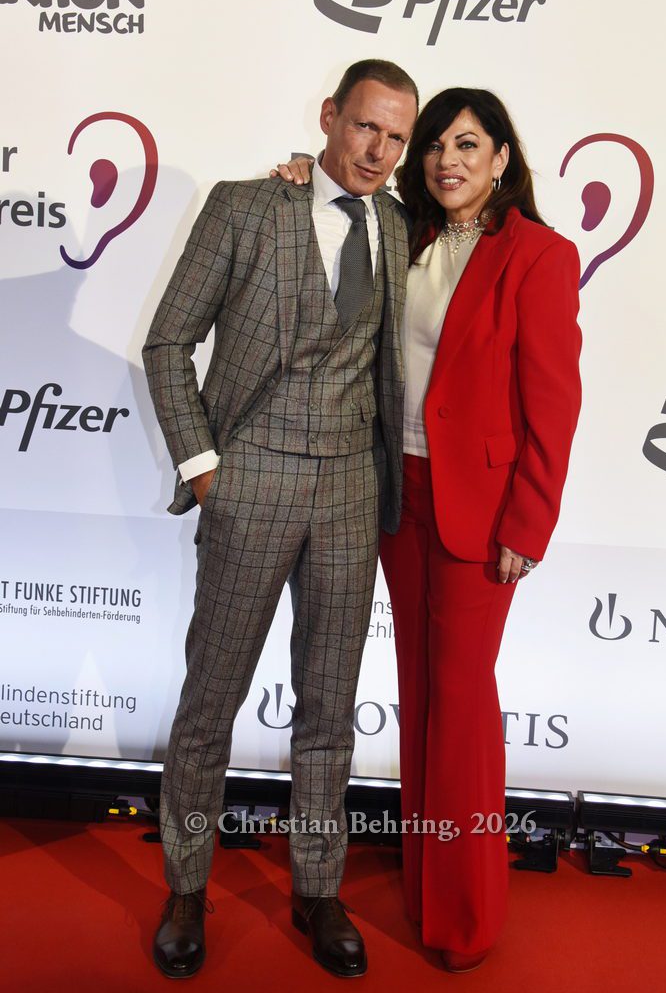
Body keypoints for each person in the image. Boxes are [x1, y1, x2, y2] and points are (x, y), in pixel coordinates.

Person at [274, 87, 582, 973]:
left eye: (468, 144)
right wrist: (299, 178)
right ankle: (426, 884)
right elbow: (332, 220)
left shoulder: (539, 254)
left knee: (461, 701)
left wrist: (528, 521)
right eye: (437, 145)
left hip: (481, 512)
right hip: (394, 495)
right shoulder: (398, 231)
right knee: (418, 693)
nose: (448, 160)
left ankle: (465, 913)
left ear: (501, 158)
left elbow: (553, 402)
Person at [142, 59, 418, 979]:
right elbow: (168, 341)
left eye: (396, 137)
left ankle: (318, 889)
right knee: (210, 700)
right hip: (250, 476)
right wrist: (204, 468)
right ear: (330, 117)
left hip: (351, 489)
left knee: (329, 707)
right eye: (365, 127)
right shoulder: (245, 206)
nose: (378, 151)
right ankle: (187, 886)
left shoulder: (396, 223)